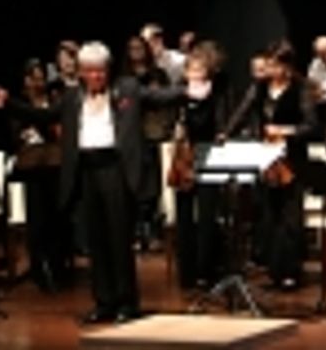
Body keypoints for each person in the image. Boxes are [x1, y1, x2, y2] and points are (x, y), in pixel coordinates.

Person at [58, 42, 182, 324]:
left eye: (100, 71)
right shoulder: (72, 96)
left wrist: (186, 91)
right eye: (90, 71)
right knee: (96, 240)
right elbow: (46, 114)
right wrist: (7, 104)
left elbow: (157, 96)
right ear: (81, 72)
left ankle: (127, 302)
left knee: (118, 238)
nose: (95, 76)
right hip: (87, 170)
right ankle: (104, 302)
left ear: (108, 69)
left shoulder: (126, 88)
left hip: (115, 169)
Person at [222, 41, 317, 290]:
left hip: (292, 156)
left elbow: (311, 125)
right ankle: (274, 270)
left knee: (290, 214)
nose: (270, 70)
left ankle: (291, 271)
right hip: (267, 155)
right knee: (270, 212)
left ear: (287, 66)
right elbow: (242, 112)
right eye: (269, 64)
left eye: (275, 65)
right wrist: (226, 133)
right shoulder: (260, 87)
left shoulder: (301, 88)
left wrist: (286, 131)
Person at [171, 51, 229, 289]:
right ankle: (187, 273)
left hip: (207, 154)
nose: (195, 74)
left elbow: (217, 126)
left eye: (200, 70)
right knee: (184, 215)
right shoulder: (179, 94)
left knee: (207, 214)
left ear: (207, 73)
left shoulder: (215, 95)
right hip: (184, 156)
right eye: (191, 70)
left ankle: (206, 271)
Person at [7, 59, 66, 292]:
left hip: (54, 164)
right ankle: (39, 267)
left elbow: (58, 130)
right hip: (31, 168)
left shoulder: (54, 100)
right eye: (32, 78)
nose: (37, 83)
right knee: (37, 219)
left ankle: (57, 265)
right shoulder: (19, 104)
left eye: (40, 78)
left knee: (57, 218)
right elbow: (17, 135)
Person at [119, 34, 172, 251]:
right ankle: (136, 230)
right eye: (132, 48)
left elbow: (168, 101)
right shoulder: (124, 79)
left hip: (154, 133)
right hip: (131, 136)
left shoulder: (158, 74)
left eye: (140, 47)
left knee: (154, 184)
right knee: (134, 183)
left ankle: (152, 229)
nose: (136, 52)